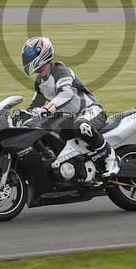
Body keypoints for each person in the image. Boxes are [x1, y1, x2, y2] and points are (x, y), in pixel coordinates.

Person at [21, 36, 119, 178]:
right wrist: (19, 117)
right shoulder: (40, 82)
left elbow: (66, 94)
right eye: (26, 56)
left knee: (81, 125)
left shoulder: (61, 71)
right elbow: (34, 106)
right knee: (47, 132)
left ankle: (110, 158)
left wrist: (48, 108)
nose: (27, 59)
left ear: (43, 53)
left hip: (92, 111)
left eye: (30, 55)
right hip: (70, 119)